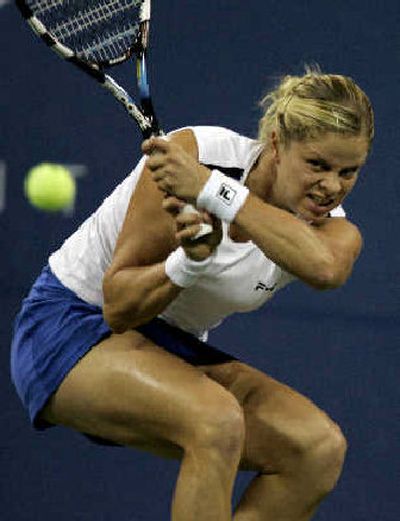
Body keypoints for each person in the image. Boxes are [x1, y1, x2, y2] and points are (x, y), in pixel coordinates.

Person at [11, 68, 374, 521]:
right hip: (69, 325)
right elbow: (119, 307)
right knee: (215, 420)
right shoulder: (194, 153)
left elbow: (324, 268)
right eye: (317, 164)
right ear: (277, 144)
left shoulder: (332, 231)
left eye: (349, 171)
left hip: (167, 345)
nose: (331, 186)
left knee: (315, 449)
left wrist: (212, 191)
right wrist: (188, 262)